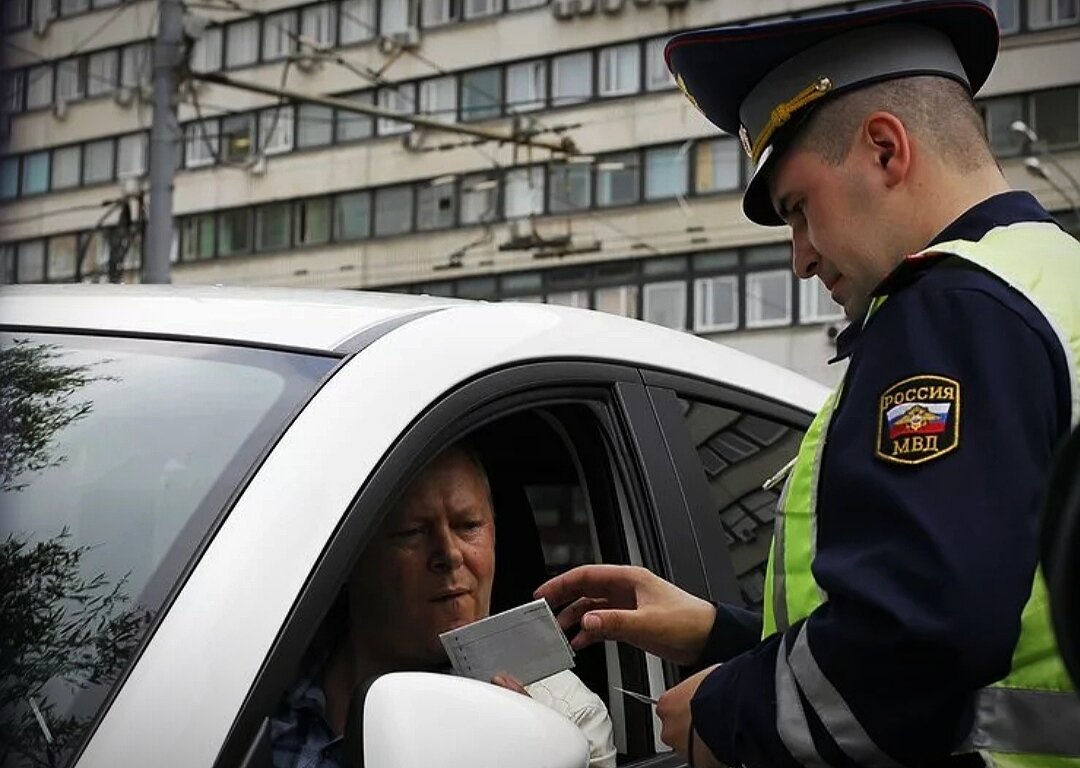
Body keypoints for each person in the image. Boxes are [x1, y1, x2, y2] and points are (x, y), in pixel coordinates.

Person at [535, 1, 1080, 766]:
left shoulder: (951, 312)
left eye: (798, 209)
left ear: (886, 150)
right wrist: (720, 634)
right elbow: (993, 606)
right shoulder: (1051, 282)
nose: (801, 257)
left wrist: (727, 714)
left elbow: (919, 642)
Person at [271, 442, 616, 768]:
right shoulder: (260, 677)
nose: (450, 555)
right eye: (412, 532)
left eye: (468, 526)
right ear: (349, 555)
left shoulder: (566, 719)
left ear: (496, 534)